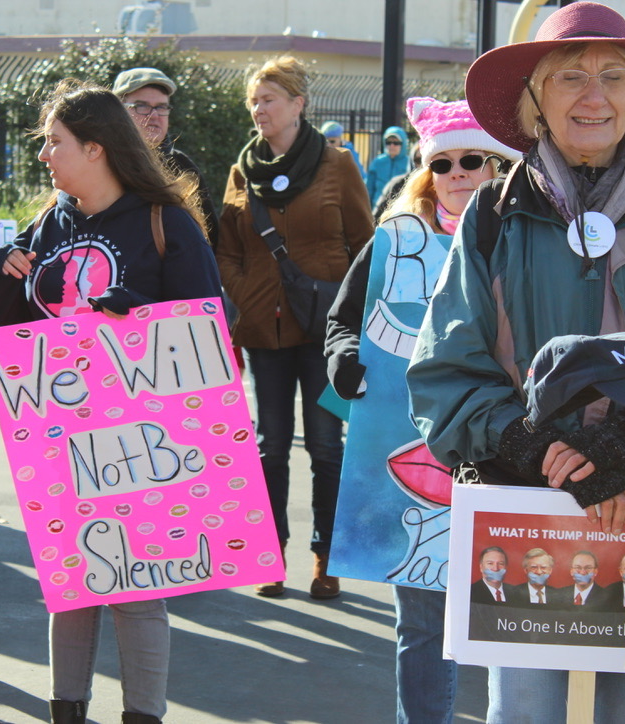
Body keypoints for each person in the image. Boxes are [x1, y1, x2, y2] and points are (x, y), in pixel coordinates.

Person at [407, 5, 625, 716]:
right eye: (570, 76)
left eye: (613, 77)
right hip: (524, 513)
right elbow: (446, 372)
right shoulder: (491, 217)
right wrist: (541, 446)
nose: (593, 95)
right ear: (535, 101)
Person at [0, 79, 221, 724]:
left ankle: (142, 713)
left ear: (95, 148)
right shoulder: (49, 222)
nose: (43, 155)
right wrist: (2, 273)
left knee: (137, 588)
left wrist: (137, 318)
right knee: (70, 585)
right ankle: (68, 712)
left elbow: (207, 332)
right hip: (60, 432)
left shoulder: (164, 222)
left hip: (144, 436)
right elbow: (7, 334)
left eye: (53, 142)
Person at [326, 96, 518, 724]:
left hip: (508, 454)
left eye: (475, 160)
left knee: (510, 615)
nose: (459, 173)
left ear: (501, 167)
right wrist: (345, 354)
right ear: (424, 172)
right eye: (443, 163)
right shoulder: (394, 241)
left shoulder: (528, 241)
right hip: (416, 464)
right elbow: (343, 320)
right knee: (424, 621)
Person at [217, 56, 372, 600]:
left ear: (298, 105)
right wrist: (247, 298)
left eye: (269, 99)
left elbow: (365, 246)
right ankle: (270, 556)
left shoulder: (338, 165)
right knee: (270, 447)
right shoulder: (242, 171)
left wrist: (353, 316)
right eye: (254, 101)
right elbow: (228, 251)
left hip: (326, 334)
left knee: (327, 446)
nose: (259, 110)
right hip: (266, 333)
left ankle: (325, 556)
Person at [113, 66, 218, 248]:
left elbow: (211, 239)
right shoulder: (100, 165)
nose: (153, 115)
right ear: (117, 111)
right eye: (141, 106)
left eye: (161, 107)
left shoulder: (182, 167)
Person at [366, 125, 409, 206]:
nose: (391, 146)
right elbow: (369, 188)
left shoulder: (409, 163)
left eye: (396, 142)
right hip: (378, 208)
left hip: (400, 208)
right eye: (388, 142)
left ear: (403, 144)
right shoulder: (378, 162)